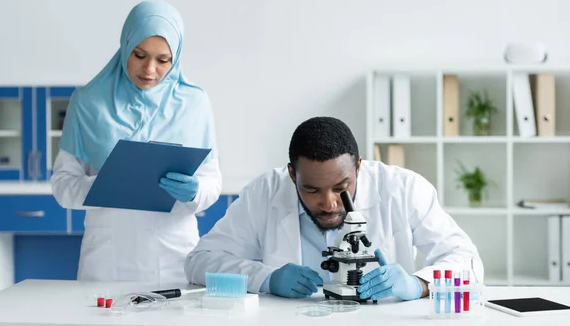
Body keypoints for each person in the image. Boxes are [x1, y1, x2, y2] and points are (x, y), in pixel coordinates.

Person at [185, 116, 483, 300]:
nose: (328, 203)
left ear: (358, 168)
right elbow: (199, 262)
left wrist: (418, 284)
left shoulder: (403, 189)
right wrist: (265, 278)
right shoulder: (265, 192)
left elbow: (468, 262)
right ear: (292, 174)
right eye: (312, 189)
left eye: (341, 188)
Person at [51, 1, 222, 283]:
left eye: (163, 60)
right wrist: (104, 187)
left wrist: (194, 191)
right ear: (125, 45)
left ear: (175, 57)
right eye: (139, 55)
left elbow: (212, 183)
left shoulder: (195, 103)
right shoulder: (88, 102)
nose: (149, 69)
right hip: (107, 262)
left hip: (174, 259)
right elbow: (62, 185)